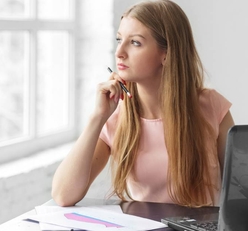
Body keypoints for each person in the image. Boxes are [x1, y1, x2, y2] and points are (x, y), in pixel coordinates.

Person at [51, 0, 234, 208]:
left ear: (166, 53)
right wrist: (97, 118)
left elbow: (243, 189)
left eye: (135, 42)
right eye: (119, 39)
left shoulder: (210, 106)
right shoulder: (115, 116)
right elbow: (63, 195)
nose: (119, 52)